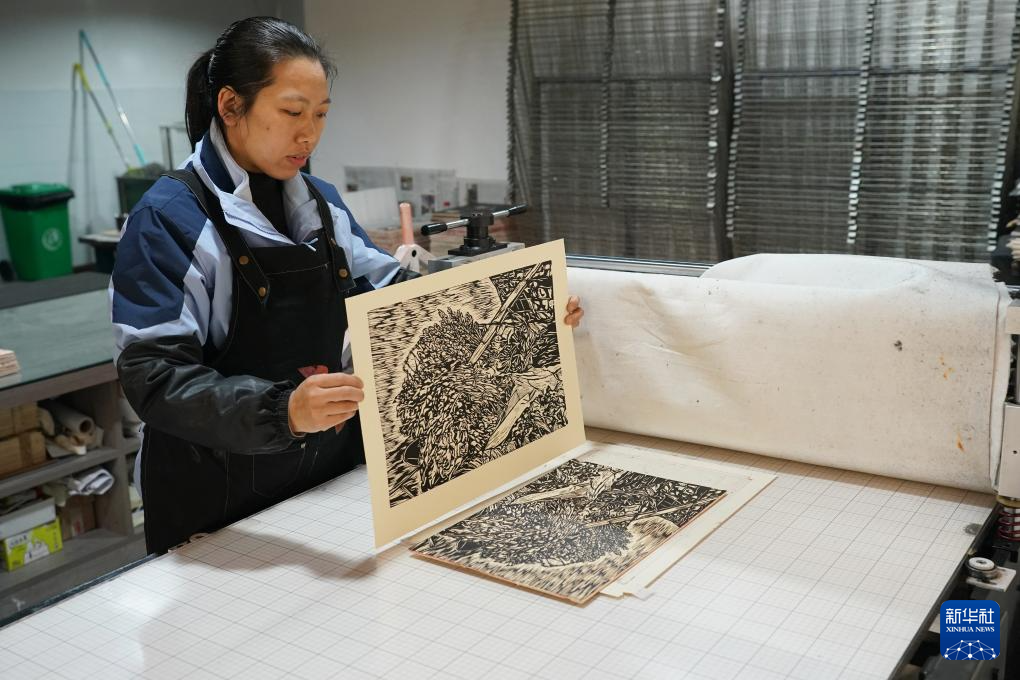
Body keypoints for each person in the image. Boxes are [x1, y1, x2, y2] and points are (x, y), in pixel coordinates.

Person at [111, 17, 584, 554]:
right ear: (230, 105)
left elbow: (402, 298)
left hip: (322, 484)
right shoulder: (169, 220)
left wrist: (527, 317)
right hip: (213, 503)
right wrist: (284, 410)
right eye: (292, 112)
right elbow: (154, 378)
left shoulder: (320, 204)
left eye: (320, 114)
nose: (309, 135)